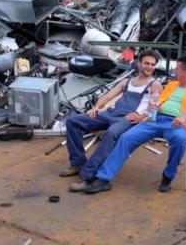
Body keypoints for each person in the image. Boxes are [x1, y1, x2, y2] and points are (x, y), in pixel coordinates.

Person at [84, 55, 186, 194]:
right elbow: (158, 101)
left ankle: (168, 176)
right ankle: (103, 178)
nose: (174, 71)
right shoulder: (172, 85)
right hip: (155, 119)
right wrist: (152, 107)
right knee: (126, 138)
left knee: (180, 140)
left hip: (176, 123)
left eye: (177, 69)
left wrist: (185, 117)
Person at [60, 50, 162, 192]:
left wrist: (141, 116)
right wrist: (96, 107)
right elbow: (108, 96)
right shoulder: (127, 81)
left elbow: (156, 106)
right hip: (111, 113)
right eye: (146, 63)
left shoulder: (154, 85)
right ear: (139, 63)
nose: (149, 67)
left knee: (112, 133)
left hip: (128, 118)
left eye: (152, 64)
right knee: (73, 121)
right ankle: (77, 163)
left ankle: (87, 175)